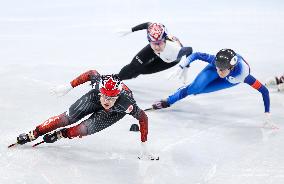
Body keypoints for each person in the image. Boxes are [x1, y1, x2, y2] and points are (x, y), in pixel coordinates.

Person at [12, 70, 158, 160]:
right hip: (94, 98)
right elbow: (91, 73)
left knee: (83, 129)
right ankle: (33, 133)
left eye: (111, 98)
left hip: (115, 112)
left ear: (118, 96)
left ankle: (62, 134)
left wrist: (144, 145)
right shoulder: (97, 85)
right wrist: (68, 87)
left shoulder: (126, 103)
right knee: (65, 118)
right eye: (105, 97)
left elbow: (143, 118)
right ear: (100, 91)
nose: (107, 101)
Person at [152, 49, 278, 129]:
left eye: (222, 69)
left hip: (231, 80)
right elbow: (195, 54)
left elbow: (264, 91)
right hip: (218, 71)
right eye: (218, 67)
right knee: (194, 88)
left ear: (232, 68)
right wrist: (181, 66)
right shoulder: (216, 64)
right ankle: (168, 101)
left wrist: (267, 113)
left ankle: (189, 90)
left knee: (199, 91)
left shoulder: (243, 75)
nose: (219, 71)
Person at [116, 22, 193, 83]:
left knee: (142, 70)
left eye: (159, 43)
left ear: (164, 40)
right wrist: (131, 30)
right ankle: (115, 80)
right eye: (153, 43)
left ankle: (127, 76)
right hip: (158, 49)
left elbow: (189, 50)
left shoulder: (175, 50)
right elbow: (147, 24)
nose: (156, 47)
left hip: (169, 60)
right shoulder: (152, 32)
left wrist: (185, 67)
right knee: (134, 65)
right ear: (149, 40)